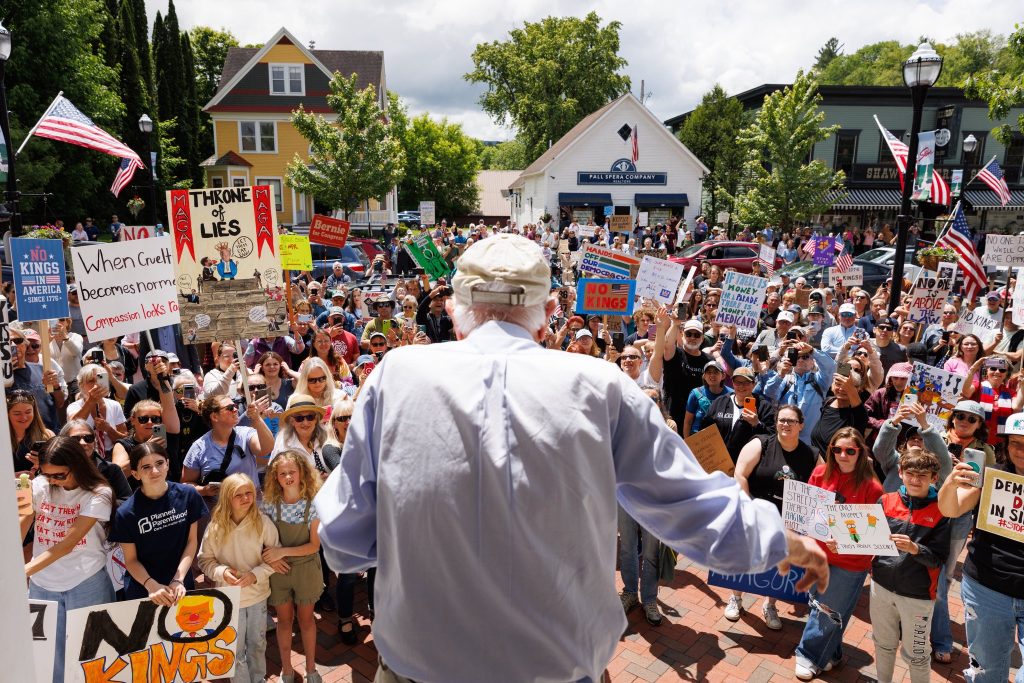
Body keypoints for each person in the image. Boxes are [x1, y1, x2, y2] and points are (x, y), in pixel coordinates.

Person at [314, 233, 828, 683]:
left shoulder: (395, 374)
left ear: (454, 309)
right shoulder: (601, 385)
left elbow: (343, 538)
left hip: (419, 667)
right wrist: (787, 542)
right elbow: (691, 507)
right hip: (559, 669)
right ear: (547, 317)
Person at [938, 410, 1024, 683]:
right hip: (987, 588)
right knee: (986, 670)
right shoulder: (991, 476)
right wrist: (950, 484)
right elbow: (951, 509)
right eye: (1015, 443)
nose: (1021, 451)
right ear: (1006, 445)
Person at [21, 437, 116, 683]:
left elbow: (66, 545)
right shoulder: (42, 484)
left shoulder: (99, 493)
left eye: (60, 476)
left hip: (86, 582)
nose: (53, 481)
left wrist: (24, 570)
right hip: (43, 583)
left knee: (91, 654)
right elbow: (24, 522)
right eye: (48, 474)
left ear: (78, 465)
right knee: (50, 656)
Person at [793, 428, 884, 680]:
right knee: (820, 604)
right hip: (819, 555)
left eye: (850, 450)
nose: (843, 455)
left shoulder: (872, 487)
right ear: (831, 450)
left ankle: (809, 655)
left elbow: (873, 532)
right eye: (838, 449)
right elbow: (809, 512)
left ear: (860, 453)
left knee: (827, 609)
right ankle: (831, 653)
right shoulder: (820, 473)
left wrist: (844, 541)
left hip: (850, 562)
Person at [729, 405, 819, 629]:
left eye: (791, 421)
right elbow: (740, 473)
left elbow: (823, 488)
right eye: (781, 420)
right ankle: (736, 598)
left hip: (790, 520)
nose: (785, 424)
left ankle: (770, 604)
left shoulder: (812, 455)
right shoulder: (761, 443)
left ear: (801, 425)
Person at [869, 448, 950, 683]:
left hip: (917, 595)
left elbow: (938, 559)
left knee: (916, 654)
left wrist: (915, 549)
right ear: (901, 473)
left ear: (934, 478)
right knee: (883, 644)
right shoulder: (886, 501)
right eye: (911, 473)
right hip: (881, 587)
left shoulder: (941, 511)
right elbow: (864, 539)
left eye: (923, 475)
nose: (916, 480)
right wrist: (841, 542)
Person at [197, 473, 281, 683]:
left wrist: (256, 574)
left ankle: (258, 679)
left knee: (257, 643)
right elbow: (204, 560)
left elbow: (275, 557)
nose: (245, 498)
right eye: (238, 494)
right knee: (234, 650)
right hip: (228, 599)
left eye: (249, 493)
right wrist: (221, 572)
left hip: (257, 595)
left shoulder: (262, 523)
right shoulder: (215, 527)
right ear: (227, 498)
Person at [110, 442, 207, 602]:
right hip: (144, 588)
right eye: (146, 467)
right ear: (135, 474)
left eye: (160, 463)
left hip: (180, 584)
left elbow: (191, 542)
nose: (154, 471)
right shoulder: (125, 513)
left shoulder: (188, 495)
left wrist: (178, 579)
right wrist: (151, 585)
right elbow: (131, 560)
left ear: (168, 464)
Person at [260, 451, 324, 683]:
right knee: (284, 621)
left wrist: (282, 551)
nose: (288, 477)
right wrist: (272, 558)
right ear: (275, 477)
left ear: (301, 473)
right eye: (282, 473)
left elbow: (314, 546)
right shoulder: (269, 504)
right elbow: (262, 539)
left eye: (292, 472)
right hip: (279, 571)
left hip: (306, 569)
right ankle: (286, 669)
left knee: (306, 620)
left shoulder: (313, 503)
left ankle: (311, 668)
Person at [320, 396, 372, 644]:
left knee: (376, 569)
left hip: (371, 516)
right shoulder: (331, 448)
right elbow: (347, 473)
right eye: (343, 418)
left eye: (354, 416)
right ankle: (345, 618)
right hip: (348, 520)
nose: (349, 421)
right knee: (348, 574)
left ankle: (375, 613)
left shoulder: (369, 442)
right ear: (335, 423)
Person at [181, 394, 275, 502]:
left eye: (235, 405)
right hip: (220, 512)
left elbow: (267, 448)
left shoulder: (245, 433)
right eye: (230, 408)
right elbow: (185, 484)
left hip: (251, 508)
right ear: (214, 417)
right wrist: (204, 490)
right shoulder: (198, 448)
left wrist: (257, 418)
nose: (235, 409)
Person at [59, 420, 132, 503]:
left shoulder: (111, 470)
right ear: (63, 442)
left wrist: (98, 506)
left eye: (88, 438)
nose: (83, 443)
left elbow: (126, 501)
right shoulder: (54, 472)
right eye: (75, 439)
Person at [111, 399, 181, 482]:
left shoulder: (169, 438)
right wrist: (145, 449)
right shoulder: (123, 445)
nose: (150, 422)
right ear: (133, 420)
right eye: (143, 419)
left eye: (155, 419)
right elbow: (117, 473)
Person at [65, 364, 128, 456]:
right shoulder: (74, 406)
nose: (96, 384)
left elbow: (124, 438)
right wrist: (91, 401)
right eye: (91, 381)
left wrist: (108, 429)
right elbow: (73, 425)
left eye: (100, 379)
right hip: (84, 455)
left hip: (112, 455)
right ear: (81, 385)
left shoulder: (114, 405)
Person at [270, 394, 330, 476]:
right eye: (299, 418)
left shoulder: (328, 438)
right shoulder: (282, 441)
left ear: (316, 419)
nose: (305, 423)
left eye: (310, 417)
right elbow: (273, 472)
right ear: (292, 421)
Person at [9, 389, 55, 476]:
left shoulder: (47, 436)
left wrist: (42, 465)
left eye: (28, 412)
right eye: (17, 414)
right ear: (7, 414)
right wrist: (12, 476)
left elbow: (59, 469)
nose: (24, 417)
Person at [684, 360, 732, 435]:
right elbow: (688, 422)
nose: (712, 375)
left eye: (716, 372)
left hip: (722, 440)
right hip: (698, 440)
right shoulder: (695, 394)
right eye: (709, 372)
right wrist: (687, 443)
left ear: (723, 376)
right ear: (704, 376)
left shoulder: (732, 394)